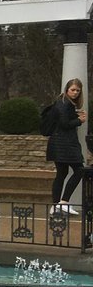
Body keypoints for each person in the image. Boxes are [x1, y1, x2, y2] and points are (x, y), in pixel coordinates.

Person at [46, 77, 86, 215]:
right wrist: (79, 120)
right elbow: (64, 124)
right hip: (64, 144)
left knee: (61, 174)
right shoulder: (64, 103)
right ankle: (63, 202)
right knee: (80, 170)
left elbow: (62, 120)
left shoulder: (64, 103)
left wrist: (75, 116)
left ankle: (56, 205)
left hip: (60, 144)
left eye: (77, 90)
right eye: (73, 90)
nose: (75, 93)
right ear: (67, 90)